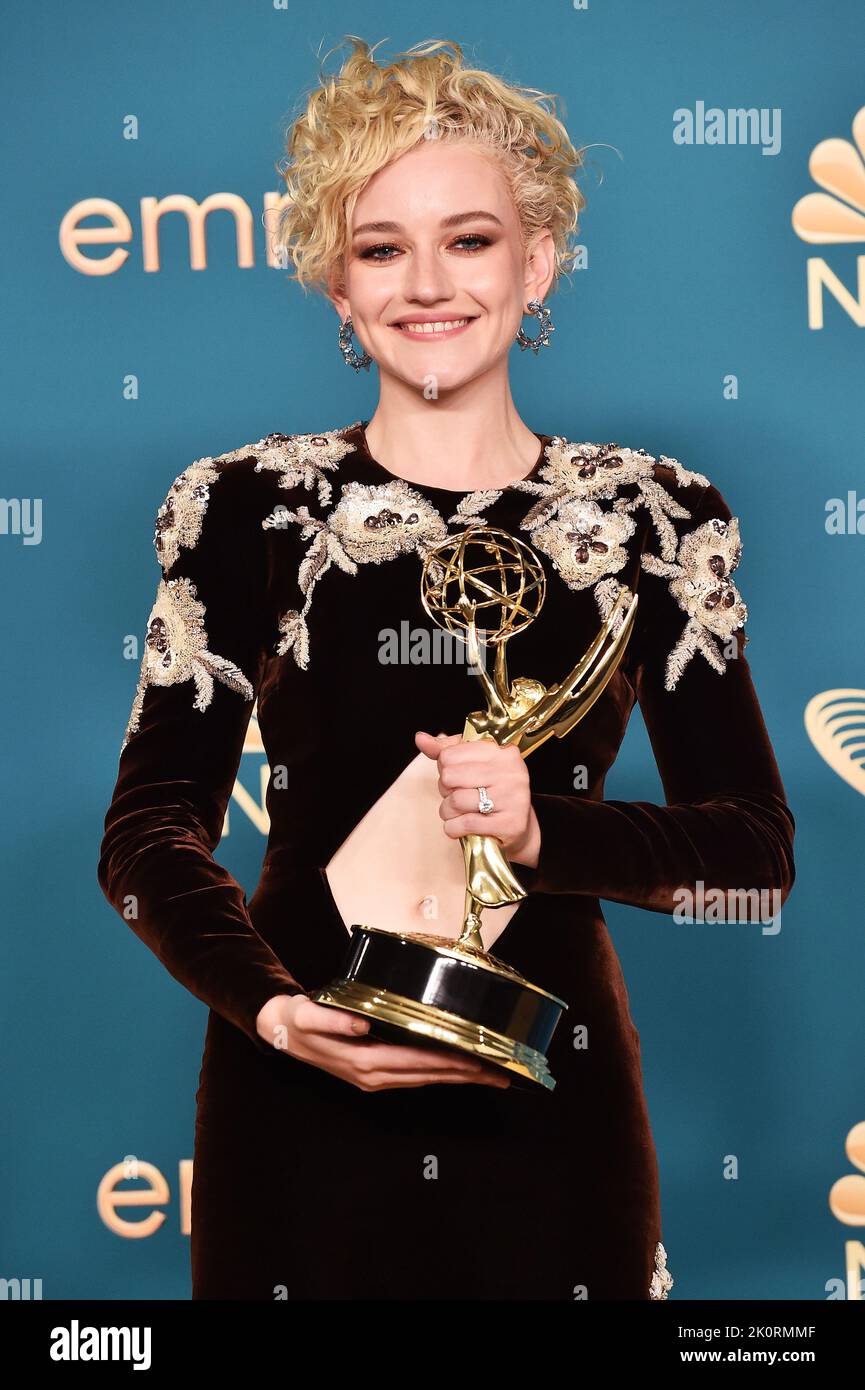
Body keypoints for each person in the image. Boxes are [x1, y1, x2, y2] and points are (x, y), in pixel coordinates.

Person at [97, 36, 796, 1300]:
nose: (427, 284)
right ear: (335, 286)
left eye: (469, 240)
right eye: (380, 247)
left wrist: (546, 835)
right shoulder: (241, 508)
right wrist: (269, 1008)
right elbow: (146, 836)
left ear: (536, 264)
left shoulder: (655, 516)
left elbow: (752, 861)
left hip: (552, 1105)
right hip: (290, 1094)